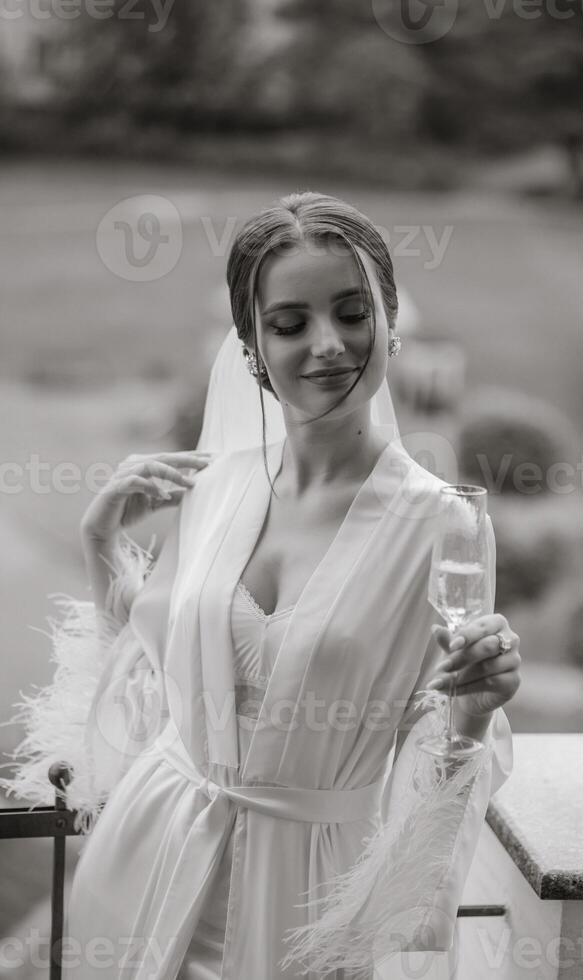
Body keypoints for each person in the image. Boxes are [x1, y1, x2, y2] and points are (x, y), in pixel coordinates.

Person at [3, 192, 519, 979]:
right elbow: (150, 675)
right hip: (147, 860)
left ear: (391, 322)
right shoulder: (212, 487)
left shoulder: (446, 528)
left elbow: (434, 739)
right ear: (251, 350)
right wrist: (99, 542)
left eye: (353, 313)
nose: (328, 345)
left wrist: (473, 716)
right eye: (288, 325)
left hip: (302, 901)